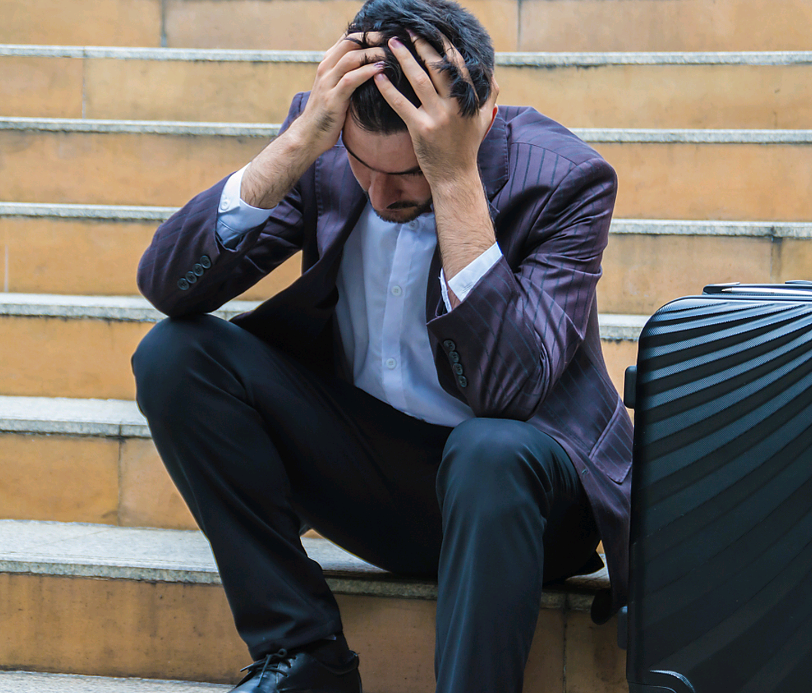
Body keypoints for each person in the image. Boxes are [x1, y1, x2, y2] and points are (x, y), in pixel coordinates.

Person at [131, 0, 632, 691]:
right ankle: (305, 654)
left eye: (409, 171)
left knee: (488, 448)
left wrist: (454, 180)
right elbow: (169, 284)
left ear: (480, 119)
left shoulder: (566, 180)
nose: (379, 192)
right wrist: (303, 140)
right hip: (379, 481)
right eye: (364, 166)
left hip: (526, 505)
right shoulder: (331, 149)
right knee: (175, 355)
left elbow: (505, 394)